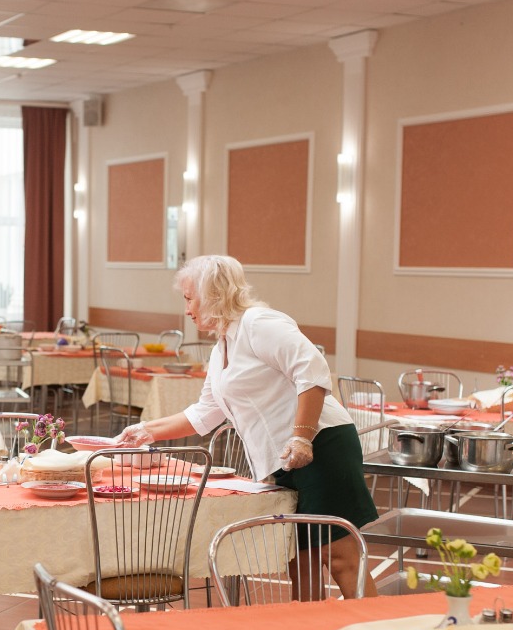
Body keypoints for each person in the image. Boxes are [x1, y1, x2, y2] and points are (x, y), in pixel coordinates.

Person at [116, 254, 378, 598]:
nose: (187, 310)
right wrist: (147, 430)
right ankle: (310, 629)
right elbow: (205, 412)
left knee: (340, 557)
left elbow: (312, 372)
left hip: (321, 444)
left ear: (212, 294)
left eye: (190, 298)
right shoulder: (221, 347)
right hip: (285, 457)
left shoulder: (258, 323)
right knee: (300, 560)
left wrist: (302, 437)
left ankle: (376, 626)